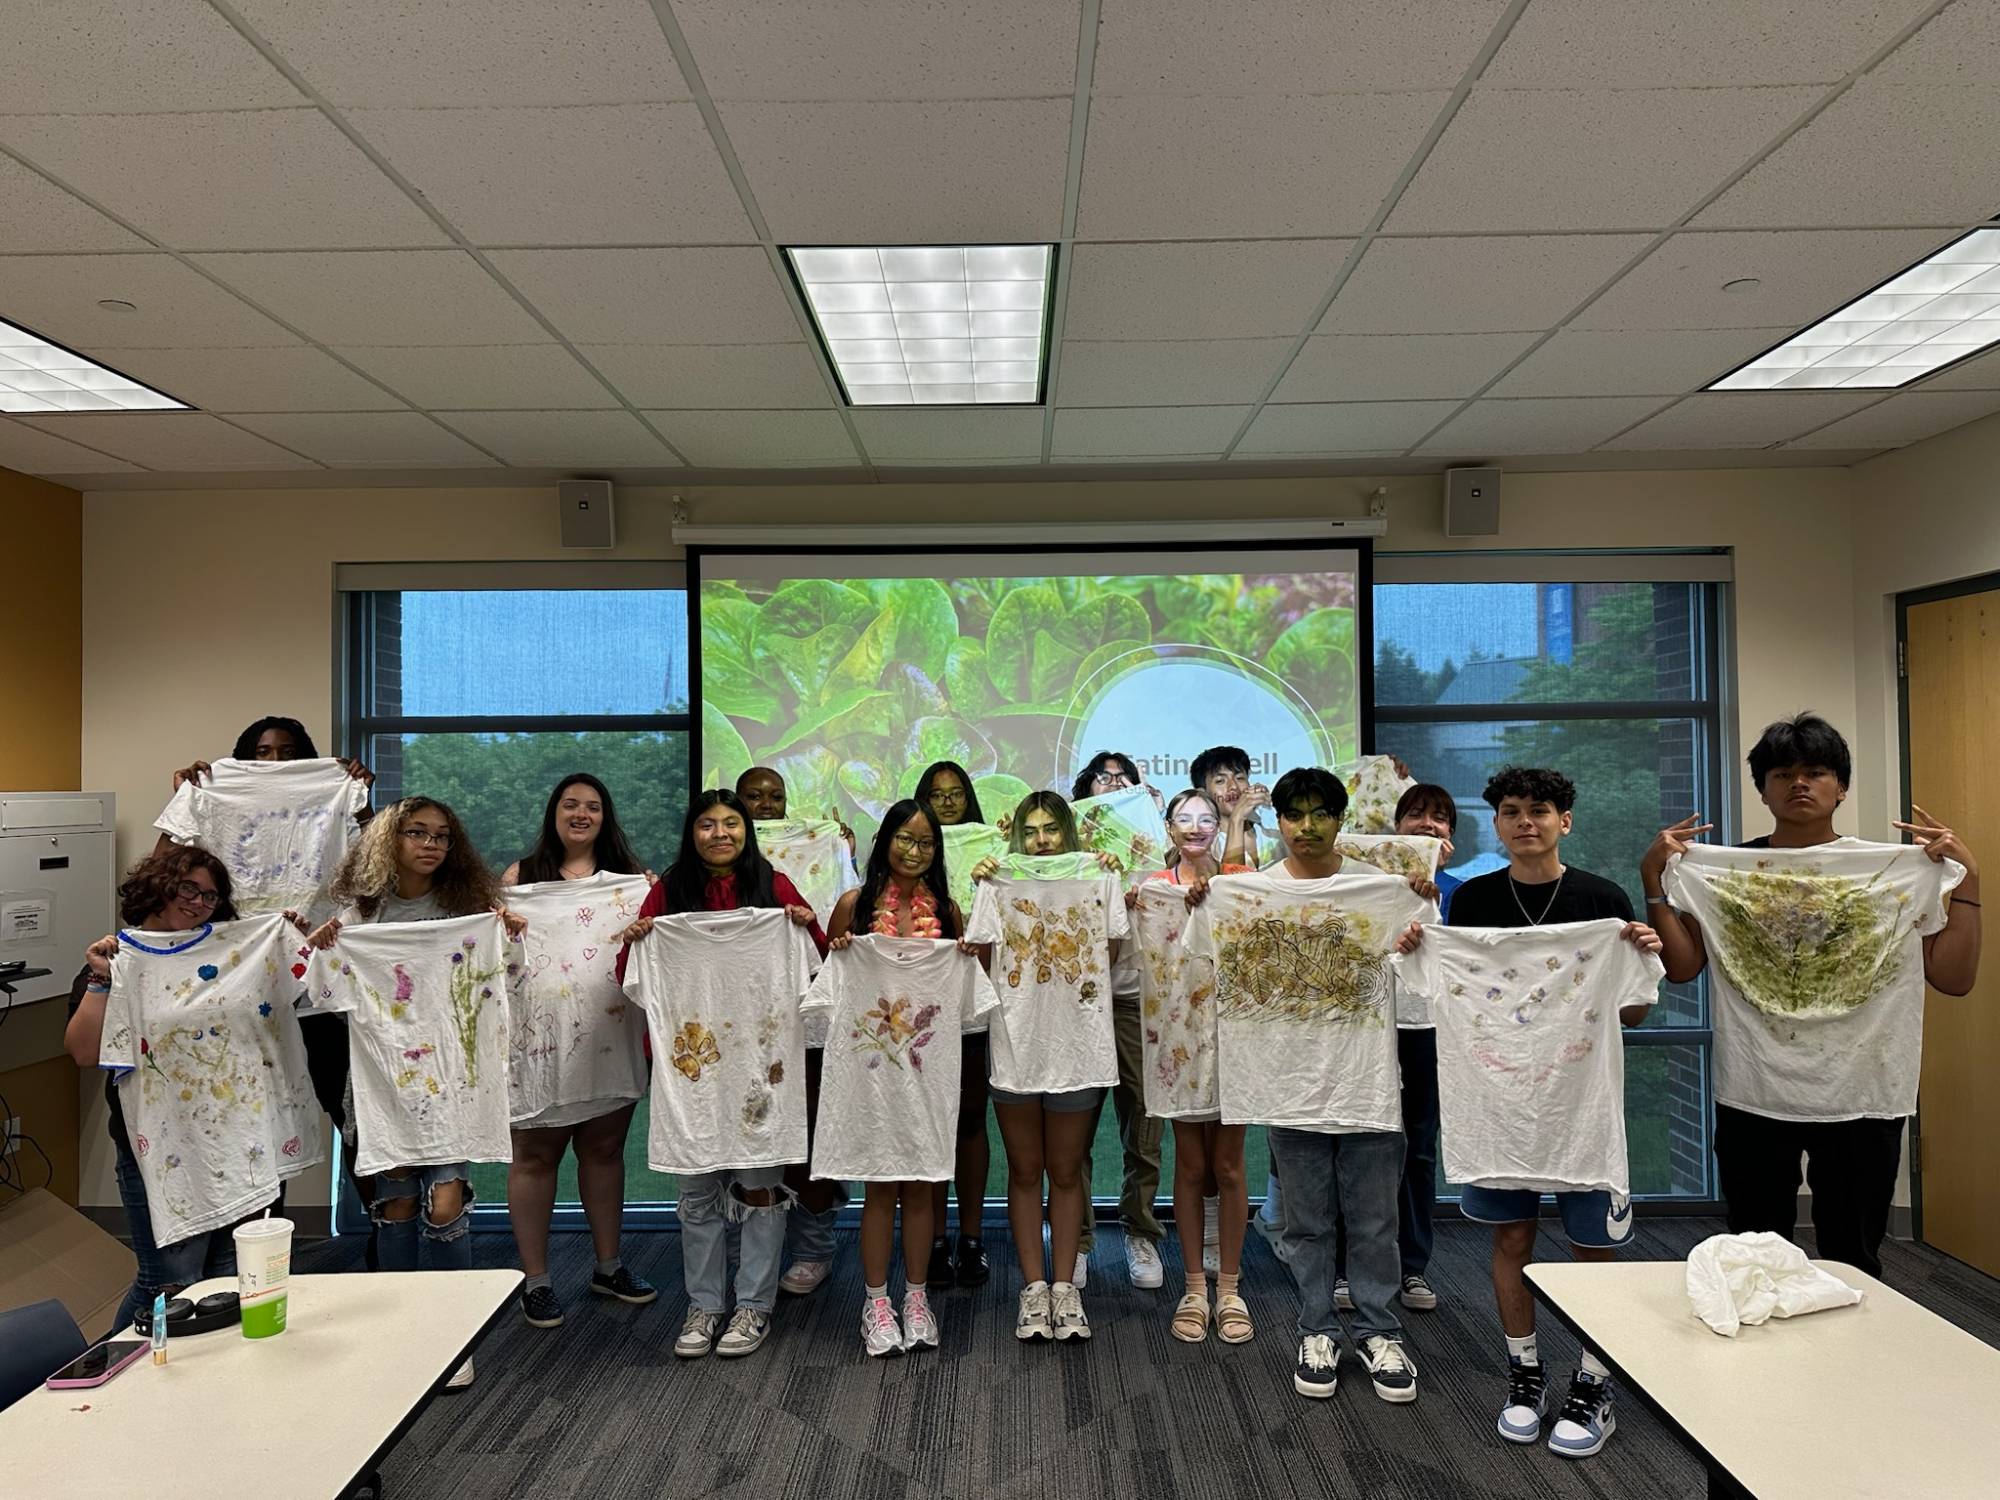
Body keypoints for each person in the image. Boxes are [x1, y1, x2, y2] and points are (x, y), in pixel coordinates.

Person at [1643, 714, 1982, 1277]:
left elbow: (1954, 978)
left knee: (1854, 1255)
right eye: (1782, 774)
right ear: (1763, 789)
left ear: (1841, 787)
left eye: (1816, 772)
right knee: (1756, 1255)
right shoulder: (1728, 872)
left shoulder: (1893, 870)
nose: (1799, 783)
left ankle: (1853, 1336)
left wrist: (1970, 879)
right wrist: (1653, 882)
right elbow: (1682, 968)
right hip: (1754, 1087)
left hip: (1864, 1089)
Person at [1417, 766, 1662, 1459]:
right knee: (1512, 1240)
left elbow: (1633, 1012)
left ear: (1565, 821)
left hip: (1579, 1109)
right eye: (1513, 811)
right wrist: (1420, 952)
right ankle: (1525, 1373)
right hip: (1499, 1109)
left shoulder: (1602, 899)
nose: (1526, 822)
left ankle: (1594, 1382)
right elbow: (1448, 991)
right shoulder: (1472, 902)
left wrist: (1637, 955)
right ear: (1497, 824)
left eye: (1541, 810)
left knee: (1593, 1250)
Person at [1186, 767, 1434, 1406]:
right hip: (1288, 1086)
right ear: (1279, 822)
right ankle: (1316, 1330)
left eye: (1321, 813)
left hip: (1366, 1085)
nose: (1307, 826)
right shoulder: (1246, 892)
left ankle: (1381, 1333)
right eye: (1294, 814)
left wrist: (1417, 915)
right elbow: (1205, 948)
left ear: (1339, 819)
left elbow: (1423, 973)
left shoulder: (1381, 889)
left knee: (1375, 1223)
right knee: (1307, 1224)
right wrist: (1206, 900)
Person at [307, 796, 524, 1390]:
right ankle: (398, 1329)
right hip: (383, 1082)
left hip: (453, 1080)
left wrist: (510, 936)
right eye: (417, 833)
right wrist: (324, 950)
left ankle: (453, 1334)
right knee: (397, 1203)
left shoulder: (469, 910)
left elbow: (509, 978)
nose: (431, 845)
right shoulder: (359, 916)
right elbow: (324, 998)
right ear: (389, 840)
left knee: (446, 1204)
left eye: (442, 836)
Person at [615, 791, 827, 1361]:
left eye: (731, 824)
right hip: (694, 1076)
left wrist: (806, 927)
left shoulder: (774, 886)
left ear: (746, 831)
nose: (720, 834)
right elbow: (629, 978)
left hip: (760, 1070)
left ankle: (754, 1303)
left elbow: (819, 966)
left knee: (760, 1188)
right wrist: (637, 942)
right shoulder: (669, 891)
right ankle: (704, 1305)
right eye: (707, 825)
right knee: (697, 1192)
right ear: (692, 832)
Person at [158, 717, 376, 1258]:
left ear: (307, 757)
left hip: (318, 989)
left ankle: (386, 1232)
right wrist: (187, 798)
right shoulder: (213, 791)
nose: (275, 761)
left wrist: (358, 800)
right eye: (262, 752)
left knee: (353, 1118)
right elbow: (158, 876)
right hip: (243, 988)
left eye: (288, 751)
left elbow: (376, 871)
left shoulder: (333, 788)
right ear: (244, 758)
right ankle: (259, 1252)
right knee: (256, 1122)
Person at [64, 849, 286, 1328]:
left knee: (229, 1281)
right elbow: (84, 1053)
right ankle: (112, 1362)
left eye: (211, 895)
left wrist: (290, 938)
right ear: (158, 885)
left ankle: (214, 1370)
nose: (199, 903)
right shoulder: (119, 959)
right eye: (189, 888)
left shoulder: (227, 958)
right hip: (159, 1151)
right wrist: (102, 979)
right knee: (168, 1283)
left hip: (236, 1144)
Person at [499, 775, 657, 1329]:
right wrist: (500, 918)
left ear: (605, 817)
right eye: (571, 805)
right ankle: (536, 1280)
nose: (581, 814)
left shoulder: (632, 882)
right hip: (539, 1045)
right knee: (534, 1157)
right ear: (554, 813)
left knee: (606, 1152)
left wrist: (651, 907)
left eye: (592, 806)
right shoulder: (520, 879)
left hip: (609, 1039)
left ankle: (608, 1266)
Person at [822, 799, 978, 1356]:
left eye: (926, 842)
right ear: (884, 840)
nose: (914, 851)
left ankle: (916, 1298)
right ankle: (876, 1303)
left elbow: (970, 995)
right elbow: (827, 983)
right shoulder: (854, 906)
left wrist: (967, 954)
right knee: (879, 1191)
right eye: (905, 839)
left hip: (927, 1074)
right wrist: (841, 948)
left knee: (921, 1188)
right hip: (871, 1077)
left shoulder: (949, 912)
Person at [967, 792, 1124, 1344]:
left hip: (1077, 1045)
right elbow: (981, 956)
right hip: (1016, 1043)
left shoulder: (1099, 876)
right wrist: (982, 882)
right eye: (1031, 831)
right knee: (1025, 1170)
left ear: (1068, 834)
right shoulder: (994, 881)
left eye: (1051, 829)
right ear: (1017, 836)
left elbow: (1110, 954)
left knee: (1066, 1170)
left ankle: (1065, 1288)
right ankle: (1033, 1289)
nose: (1041, 841)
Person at [1330, 781, 1462, 1314]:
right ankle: (1346, 1267)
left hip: (1426, 1028)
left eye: (1439, 817)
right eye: (1416, 815)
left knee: (1419, 1148)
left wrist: (1433, 892)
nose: (1427, 824)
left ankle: (1412, 1267)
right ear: (1396, 827)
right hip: (1367, 1026)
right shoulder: (1366, 883)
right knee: (1356, 1142)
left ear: (1450, 835)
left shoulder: (1459, 891)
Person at [731, 767, 850, 1301]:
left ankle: (814, 1246)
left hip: (803, 1018)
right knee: (746, 1133)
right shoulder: (704, 869)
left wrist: (838, 850)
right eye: (753, 796)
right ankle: (752, 1244)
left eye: (775, 796)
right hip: (737, 1026)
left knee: (808, 1134)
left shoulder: (815, 848)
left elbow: (833, 930)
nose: (766, 805)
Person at [1145, 788, 1254, 1342]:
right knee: (1189, 1165)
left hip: (1234, 1036)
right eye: (1183, 819)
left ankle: (1229, 1288)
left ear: (1218, 826)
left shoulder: (1240, 884)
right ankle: (1193, 1287)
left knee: (1229, 1166)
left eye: (1205, 818)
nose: (1194, 827)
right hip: (1178, 1040)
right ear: (1169, 828)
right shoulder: (1151, 890)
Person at [1070, 751, 1166, 1291]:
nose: (1114, 784)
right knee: (1074, 1127)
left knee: (1143, 1124)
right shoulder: (1066, 845)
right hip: (1078, 1000)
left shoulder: (1154, 838)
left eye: (1123, 777)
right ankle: (1077, 1238)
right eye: (1103, 778)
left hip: (1135, 996)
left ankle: (1140, 1230)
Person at [913, 758, 996, 1290]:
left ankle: (970, 1239)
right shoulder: (903, 864)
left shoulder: (993, 851)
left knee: (969, 1121)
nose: (946, 802)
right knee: (924, 1125)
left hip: (970, 1006)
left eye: (956, 792)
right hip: (914, 1013)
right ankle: (933, 1240)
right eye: (936, 794)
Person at [1191, 744, 1268, 868]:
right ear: (1203, 794)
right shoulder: (1201, 845)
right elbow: (1231, 879)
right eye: (1220, 781)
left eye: (1240, 778)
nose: (1233, 786)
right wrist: (1236, 820)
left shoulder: (1271, 830)